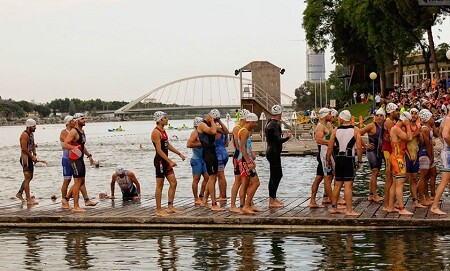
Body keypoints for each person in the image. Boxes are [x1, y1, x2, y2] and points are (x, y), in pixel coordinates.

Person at [326, 110, 363, 216]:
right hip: (348, 158)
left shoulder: (335, 130)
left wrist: (328, 159)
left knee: (337, 184)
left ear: (342, 119)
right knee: (348, 185)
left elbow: (330, 146)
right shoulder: (355, 130)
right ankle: (349, 210)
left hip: (338, 158)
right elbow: (359, 147)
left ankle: (334, 207)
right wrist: (359, 160)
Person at [151, 111, 186, 216]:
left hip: (166, 161)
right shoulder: (156, 132)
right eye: (165, 118)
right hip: (160, 161)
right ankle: (158, 209)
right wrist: (169, 160)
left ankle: (170, 207)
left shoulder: (163, 131)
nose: (167, 119)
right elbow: (159, 150)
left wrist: (179, 153)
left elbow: (167, 145)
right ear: (160, 119)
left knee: (173, 183)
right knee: (160, 185)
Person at [62, 113, 97, 212]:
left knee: (81, 181)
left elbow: (82, 146)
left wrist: (89, 156)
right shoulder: (74, 131)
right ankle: (76, 206)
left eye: (84, 118)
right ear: (77, 120)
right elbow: (65, 144)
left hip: (80, 158)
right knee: (77, 183)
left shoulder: (82, 131)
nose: (84, 120)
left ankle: (67, 199)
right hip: (74, 159)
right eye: (82, 119)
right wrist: (73, 148)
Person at [386, 112, 413, 215]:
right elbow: (409, 138)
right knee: (400, 184)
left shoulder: (395, 128)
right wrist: (407, 125)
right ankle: (402, 208)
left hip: (395, 156)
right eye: (409, 121)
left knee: (394, 183)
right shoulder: (397, 128)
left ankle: (391, 206)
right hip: (398, 158)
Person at [265, 104, 291, 207]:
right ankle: (271, 200)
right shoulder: (274, 124)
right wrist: (288, 137)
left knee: (276, 175)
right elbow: (278, 140)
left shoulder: (270, 123)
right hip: (273, 152)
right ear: (280, 114)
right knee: (275, 175)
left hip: (272, 152)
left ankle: (273, 198)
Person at [197, 109, 223, 211]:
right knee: (212, 177)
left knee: (213, 177)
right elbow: (213, 131)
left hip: (212, 152)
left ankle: (204, 200)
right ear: (210, 116)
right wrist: (212, 121)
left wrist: (219, 121)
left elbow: (225, 131)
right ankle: (213, 203)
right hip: (207, 153)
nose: (216, 121)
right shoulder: (202, 125)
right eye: (215, 119)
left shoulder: (212, 124)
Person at [309, 108, 333, 208]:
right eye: (329, 113)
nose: (331, 115)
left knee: (319, 177)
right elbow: (318, 139)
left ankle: (312, 201)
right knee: (327, 177)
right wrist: (331, 143)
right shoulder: (320, 126)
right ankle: (333, 202)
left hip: (326, 154)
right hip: (323, 155)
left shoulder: (326, 125)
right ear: (324, 115)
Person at [237, 113, 261, 215]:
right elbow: (242, 148)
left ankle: (245, 206)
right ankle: (246, 206)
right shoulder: (245, 132)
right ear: (251, 122)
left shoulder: (242, 130)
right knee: (256, 182)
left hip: (243, 159)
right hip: (244, 160)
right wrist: (248, 161)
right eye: (255, 123)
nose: (255, 125)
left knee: (246, 184)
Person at [359, 109, 384, 203]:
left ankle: (370, 194)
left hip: (379, 152)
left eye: (381, 115)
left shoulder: (385, 126)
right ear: (375, 116)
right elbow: (357, 134)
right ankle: (375, 195)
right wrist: (365, 145)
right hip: (371, 151)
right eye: (377, 115)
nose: (379, 117)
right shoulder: (371, 125)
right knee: (374, 171)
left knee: (376, 173)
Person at [430, 108, 450, 214]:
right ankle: (434, 206)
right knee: (445, 180)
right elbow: (446, 136)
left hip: (446, 151)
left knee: (448, 180)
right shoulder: (449, 120)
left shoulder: (445, 119)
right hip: (448, 154)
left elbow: (440, 134)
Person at [230, 109, 249, 213]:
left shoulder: (241, 128)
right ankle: (233, 205)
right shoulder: (237, 129)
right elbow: (238, 145)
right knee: (238, 181)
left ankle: (246, 203)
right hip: (238, 156)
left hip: (240, 156)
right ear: (245, 118)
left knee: (245, 181)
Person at [417, 109, 438, 206]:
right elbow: (427, 145)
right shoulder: (424, 129)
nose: (433, 119)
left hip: (428, 154)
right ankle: (421, 197)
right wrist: (431, 157)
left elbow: (435, 136)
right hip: (425, 154)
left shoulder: (428, 128)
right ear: (428, 118)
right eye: (432, 117)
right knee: (423, 177)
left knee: (433, 173)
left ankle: (428, 196)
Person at [381, 103, 400, 211]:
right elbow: (396, 135)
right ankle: (387, 204)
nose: (397, 112)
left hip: (390, 150)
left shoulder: (391, 122)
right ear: (391, 112)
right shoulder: (388, 122)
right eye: (396, 111)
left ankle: (390, 202)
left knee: (392, 178)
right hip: (388, 152)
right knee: (389, 178)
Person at [186, 117, 208, 205]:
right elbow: (189, 144)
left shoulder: (204, 133)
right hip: (196, 159)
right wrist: (202, 144)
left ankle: (201, 195)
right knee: (196, 179)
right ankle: (196, 198)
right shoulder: (195, 133)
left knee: (207, 178)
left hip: (204, 159)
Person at [16, 119, 39, 205]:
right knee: (27, 178)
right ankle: (28, 199)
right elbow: (24, 148)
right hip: (25, 159)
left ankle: (19, 193)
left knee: (30, 177)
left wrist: (35, 153)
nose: (35, 128)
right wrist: (31, 156)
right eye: (34, 126)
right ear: (29, 126)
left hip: (30, 157)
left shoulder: (31, 134)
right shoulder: (24, 135)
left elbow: (32, 145)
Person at [405, 108, 423, 208]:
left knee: (414, 179)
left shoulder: (417, 126)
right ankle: (396, 200)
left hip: (415, 154)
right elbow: (404, 140)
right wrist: (415, 134)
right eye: (412, 113)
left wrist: (419, 135)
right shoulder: (405, 127)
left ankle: (415, 201)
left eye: (415, 113)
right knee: (403, 179)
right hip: (406, 154)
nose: (413, 115)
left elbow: (420, 142)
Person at [215, 119, 230, 201]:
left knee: (221, 175)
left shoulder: (216, 131)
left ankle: (223, 196)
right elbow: (226, 144)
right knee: (219, 175)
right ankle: (221, 194)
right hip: (224, 153)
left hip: (219, 155)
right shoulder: (224, 132)